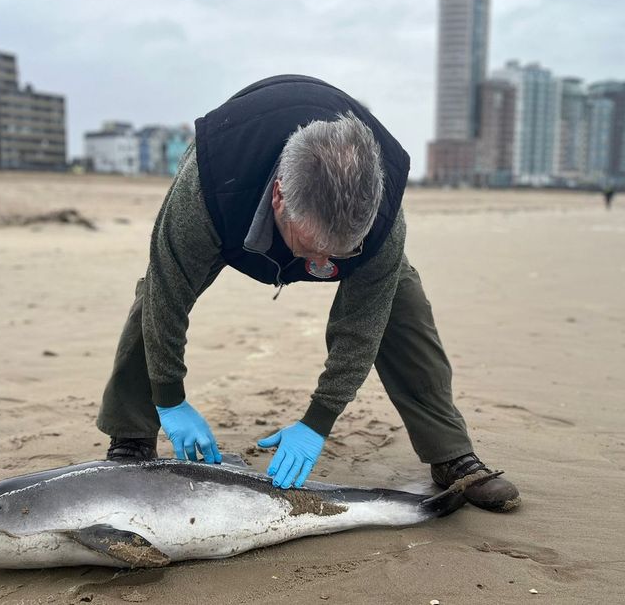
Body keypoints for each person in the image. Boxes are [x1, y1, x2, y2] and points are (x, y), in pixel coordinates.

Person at [96, 75, 519, 512]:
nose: (319, 265)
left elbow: (361, 328)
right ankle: (131, 438)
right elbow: (169, 290)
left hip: (342, 225)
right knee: (153, 299)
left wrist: (318, 421)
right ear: (279, 197)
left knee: (400, 303)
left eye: (337, 253)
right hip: (234, 200)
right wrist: (170, 399)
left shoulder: (382, 212)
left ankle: (452, 452)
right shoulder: (209, 184)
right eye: (311, 249)